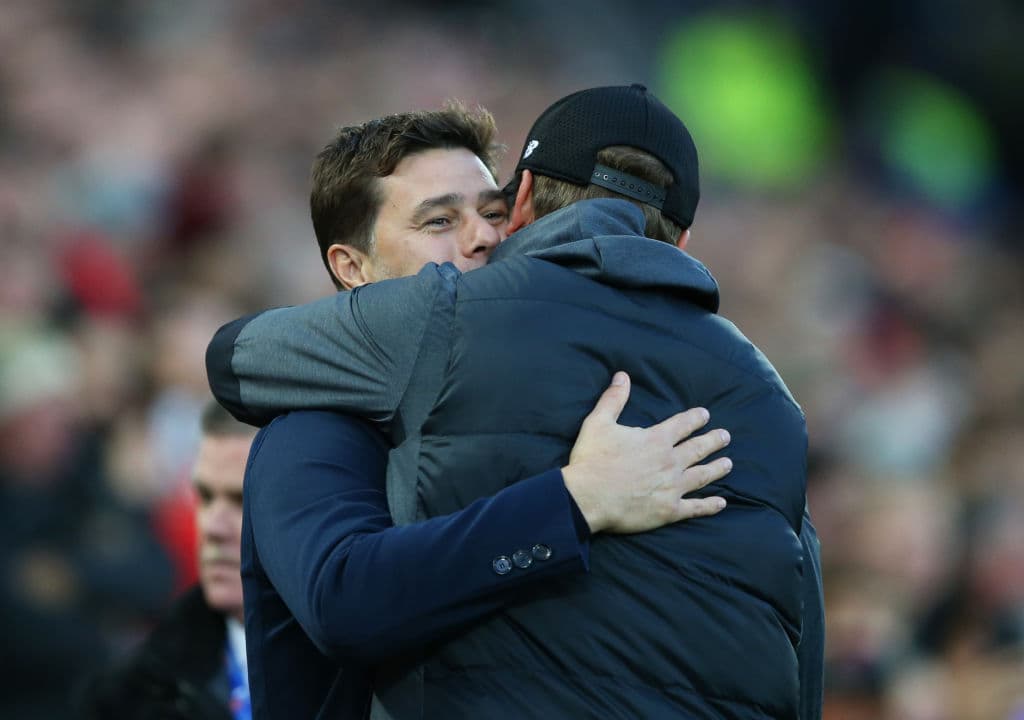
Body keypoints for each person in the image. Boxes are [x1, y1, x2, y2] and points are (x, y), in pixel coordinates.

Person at [209, 85, 824, 719]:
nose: (481, 238)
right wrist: (575, 501)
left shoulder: (629, 404)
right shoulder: (317, 425)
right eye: (439, 220)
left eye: (494, 211)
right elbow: (343, 600)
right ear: (352, 269)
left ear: (524, 207)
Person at [82, 401, 256, 720]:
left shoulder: (361, 677)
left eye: (242, 500)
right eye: (204, 497)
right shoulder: (133, 691)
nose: (212, 526)